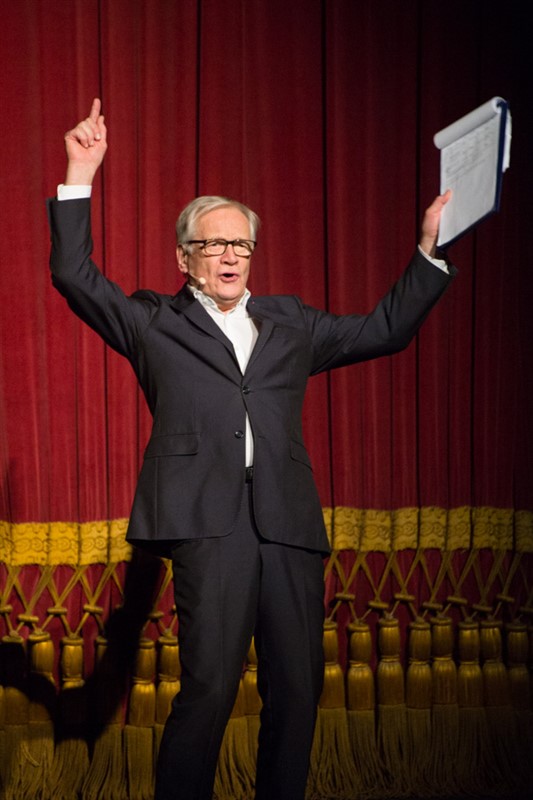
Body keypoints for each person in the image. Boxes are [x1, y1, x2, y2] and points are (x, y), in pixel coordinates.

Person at [48, 99, 455, 800]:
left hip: (287, 522)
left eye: (241, 244)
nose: (230, 255)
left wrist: (427, 251)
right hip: (209, 524)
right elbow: (73, 275)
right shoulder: (153, 321)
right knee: (208, 688)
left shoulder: (290, 321)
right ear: (184, 257)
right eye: (213, 245)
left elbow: (384, 330)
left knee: (297, 690)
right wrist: (79, 173)